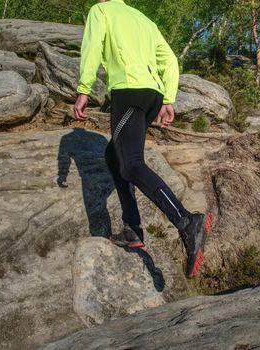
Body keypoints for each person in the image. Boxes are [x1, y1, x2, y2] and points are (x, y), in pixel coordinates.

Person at [73, 0, 211, 278]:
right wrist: (169, 98)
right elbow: (170, 60)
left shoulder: (101, 11)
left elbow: (92, 48)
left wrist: (84, 89)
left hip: (129, 92)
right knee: (115, 157)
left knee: (131, 164)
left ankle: (187, 221)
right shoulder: (144, 20)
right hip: (152, 96)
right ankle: (132, 228)